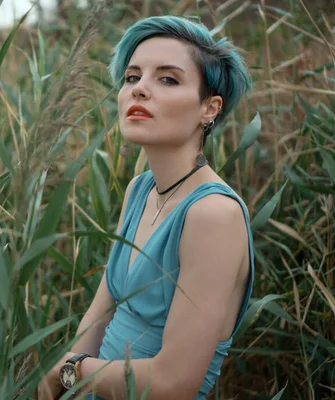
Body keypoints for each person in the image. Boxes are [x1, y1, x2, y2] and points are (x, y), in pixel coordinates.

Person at [38, 15, 255, 400]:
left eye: (167, 79)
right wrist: (65, 382)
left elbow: (173, 384)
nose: (139, 90)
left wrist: (68, 369)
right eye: (132, 77)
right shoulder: (141, 190)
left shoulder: (213, 215)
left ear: (210, 108)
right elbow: (100, 315)